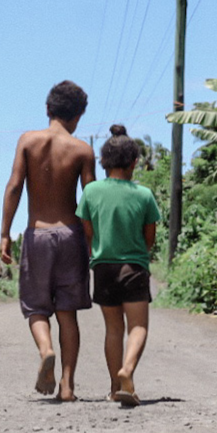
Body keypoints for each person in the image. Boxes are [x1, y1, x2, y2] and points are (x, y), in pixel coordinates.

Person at [0, 81, 97, 402]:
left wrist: (4, 233)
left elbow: (14, 186)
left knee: (37, 308)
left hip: (37, 233)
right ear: (79, 114)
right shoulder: (82, 150)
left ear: (47, 109)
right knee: (68, 313)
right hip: (70, 235)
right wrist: (92, 242)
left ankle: (46, 349)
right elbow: (90, 201)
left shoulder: (28, 141)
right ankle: (67, 386)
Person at [75, 124, 162, 407]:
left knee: (113, 329)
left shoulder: (90, 192)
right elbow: (149, 238)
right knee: (138, 327)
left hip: (103, 268)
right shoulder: (144, 195)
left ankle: (115, 386)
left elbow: (88, 231)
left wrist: (100, 252)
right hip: (134, 267)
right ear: (134, 162)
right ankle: (128, 370)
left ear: (104, 162)